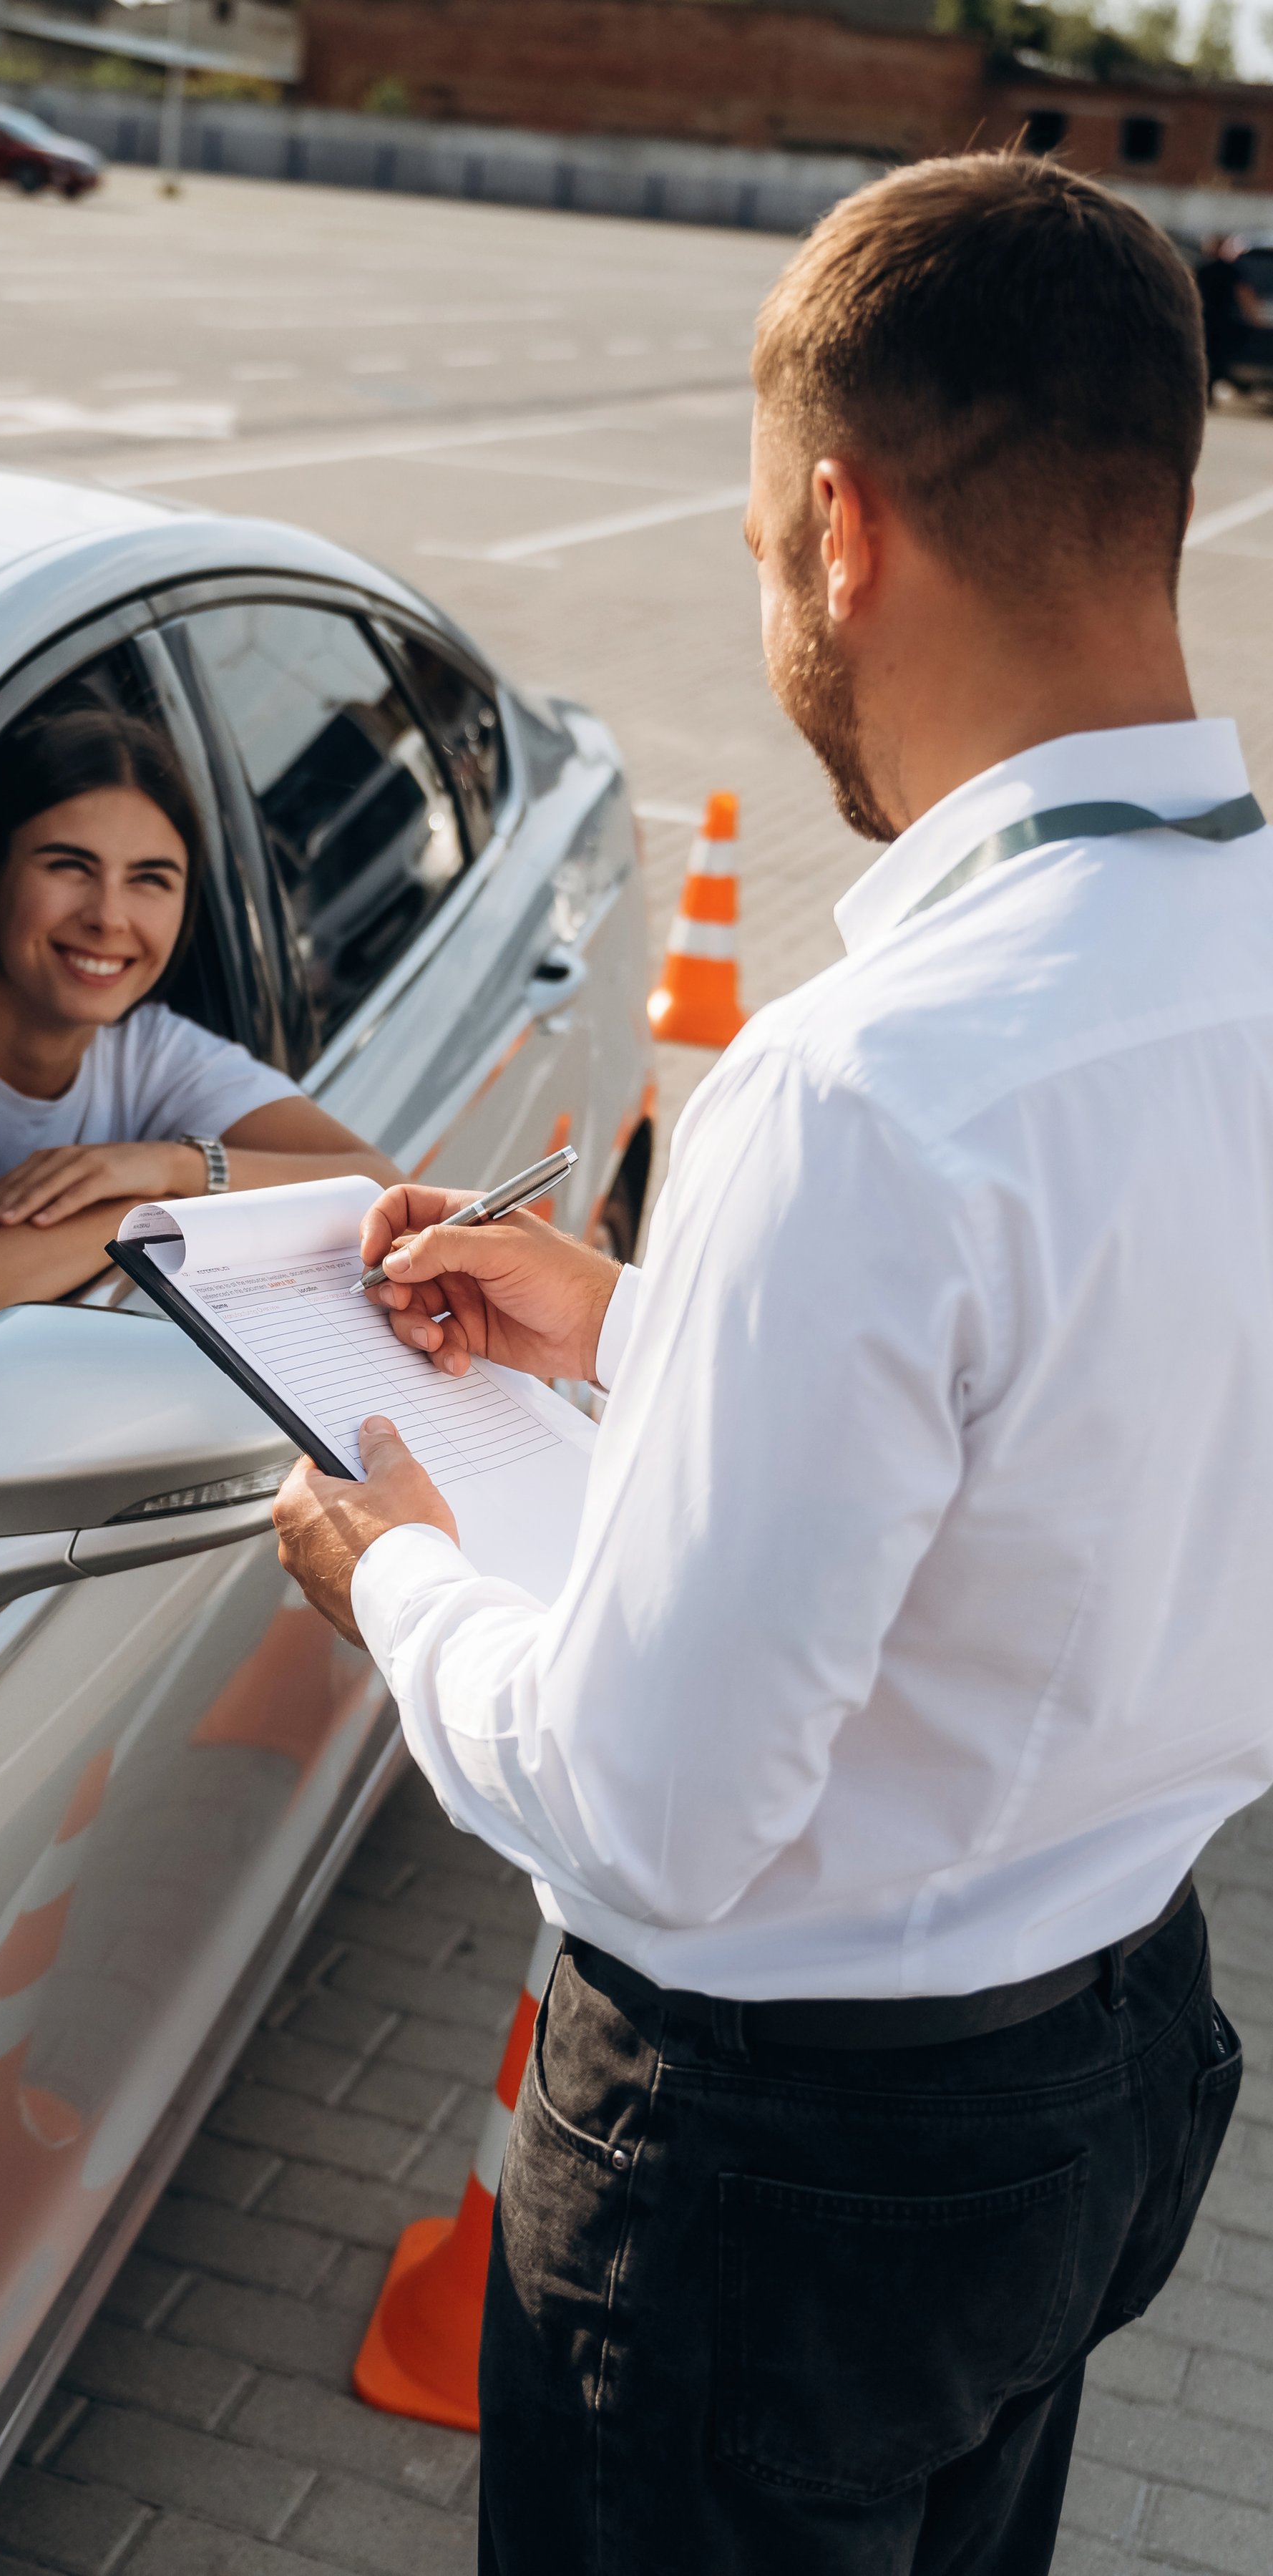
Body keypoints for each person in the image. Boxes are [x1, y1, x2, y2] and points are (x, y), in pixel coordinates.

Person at [272, 153, 1268, 2575]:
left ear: (840, 530)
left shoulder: (863, 1085)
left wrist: (397, 1575)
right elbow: (1108, 1391)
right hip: (1114, 2050)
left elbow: (659, 1800)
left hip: (785, 2172)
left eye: (747, 541)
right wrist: (639, 1318)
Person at [0, 704, 396, 1360]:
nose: (108, 916)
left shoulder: (156, 1051)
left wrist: (172, 1166)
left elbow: (380, 1189)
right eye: (69, 866)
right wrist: (146, 1216)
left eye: (150, 879)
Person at [1196, 233, 1241, 405]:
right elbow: (1243, 294)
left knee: (1206, 355)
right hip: (1224, 319)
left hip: (1205, 318)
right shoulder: (1231, 270)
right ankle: (1211, 391)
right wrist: (1254, 317)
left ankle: (1206, 392)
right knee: (1219, 357)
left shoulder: (1203, 268)